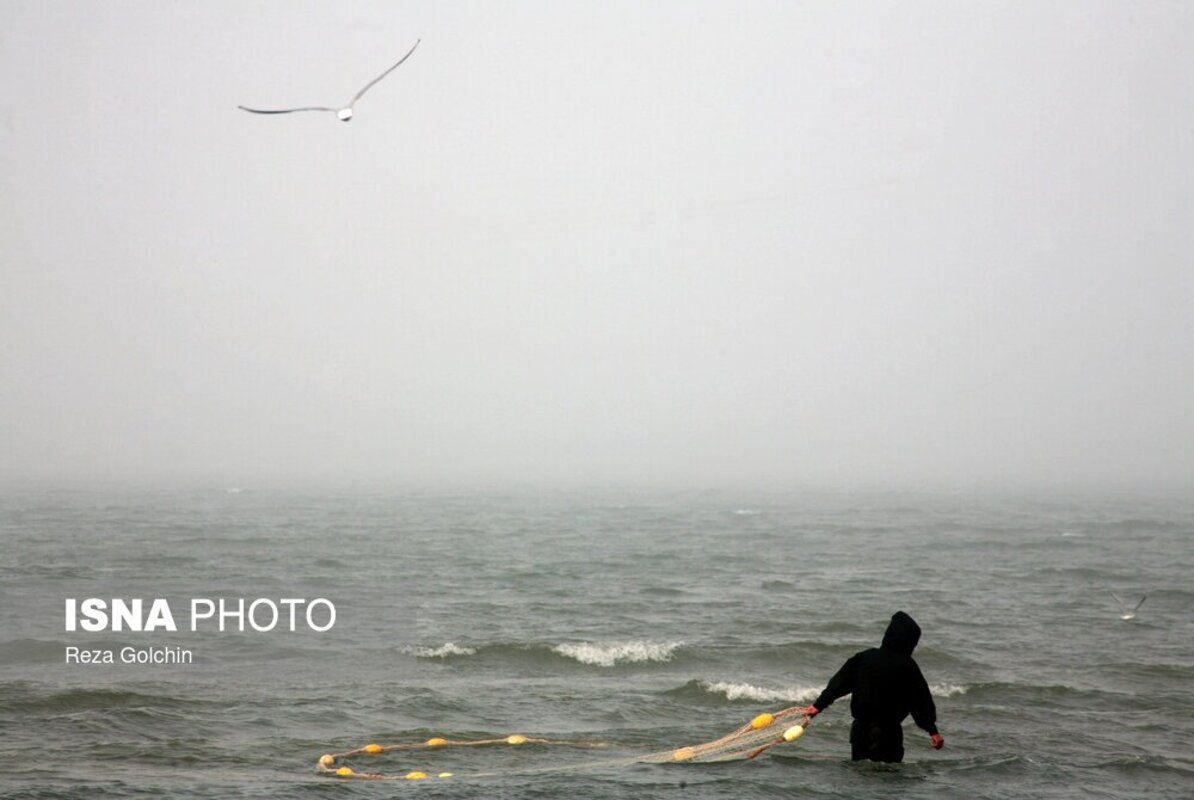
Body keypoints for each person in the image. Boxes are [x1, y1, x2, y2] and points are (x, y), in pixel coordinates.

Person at [800, 610, 944, 763]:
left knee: (860, 777)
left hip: (859, 733)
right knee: (887, 779)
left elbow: (838, 684)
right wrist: (933, 732)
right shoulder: (908, 667)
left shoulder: (864, 658)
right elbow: (920, 701)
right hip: (889, 735)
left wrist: (818, 706)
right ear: (909, 642)